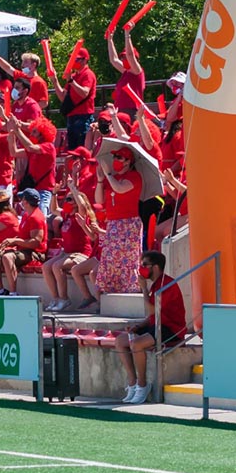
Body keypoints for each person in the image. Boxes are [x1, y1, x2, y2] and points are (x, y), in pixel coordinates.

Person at [114, 251, 186, 404]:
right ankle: (133, 384)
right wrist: (138, 326)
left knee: (136, 344)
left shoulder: (166, 284)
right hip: (158, 325)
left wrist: (144, 289)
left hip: (172, 329)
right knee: (120, 340)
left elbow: (152, 310)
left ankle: (142, 385)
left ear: (156, 267)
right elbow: (153, 316)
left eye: (145, 265)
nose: (142, 268)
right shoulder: (156, 284)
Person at [94, 147, 143, 295]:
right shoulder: (112, 178)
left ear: (128, 162)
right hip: (113, 223)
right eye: (115, 157)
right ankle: (112, 287)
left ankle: (131, 287)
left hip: (129, 222)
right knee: (110, 257)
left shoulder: (134, 176)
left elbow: (120, 189)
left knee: (128, 257)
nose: (116, 160)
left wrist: (109, 174)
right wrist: (100, 180)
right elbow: (99, 199)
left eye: (120, 158)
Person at [0, 188, 48, 297]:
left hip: (35, 253)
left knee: (7, 258)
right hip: (23, 250)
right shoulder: (27, 215)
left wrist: (15, 241)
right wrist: (9, 242)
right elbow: (23, 236)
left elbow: (35, 242)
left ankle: (13, 293)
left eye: (22, 199)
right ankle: (0, 292)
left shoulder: (36, 217)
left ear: (26, 201)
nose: (20, 201)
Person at [43, 193, 94, 312]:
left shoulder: (80, 215)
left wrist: (74, 190)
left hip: (81, 253)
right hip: (66, 253)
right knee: (46, 267)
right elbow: (54, 209)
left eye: (70, 199)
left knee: (57, 266)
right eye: (66, 198)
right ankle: (56, 298)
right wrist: (54, 194)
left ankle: (64, 299)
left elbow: (83, 206)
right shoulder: (66, 215)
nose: (67, 201)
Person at [54, 46, 96, 150]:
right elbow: (63, 97)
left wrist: (71, 81)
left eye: (76, 59)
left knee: (82, 149)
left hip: (84, 116)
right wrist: (55, 81)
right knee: (73, 150)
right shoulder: (74, 75)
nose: (73, 62)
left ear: (85, 60)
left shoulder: (88, 74)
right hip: (72, 116)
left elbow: (85, 93)